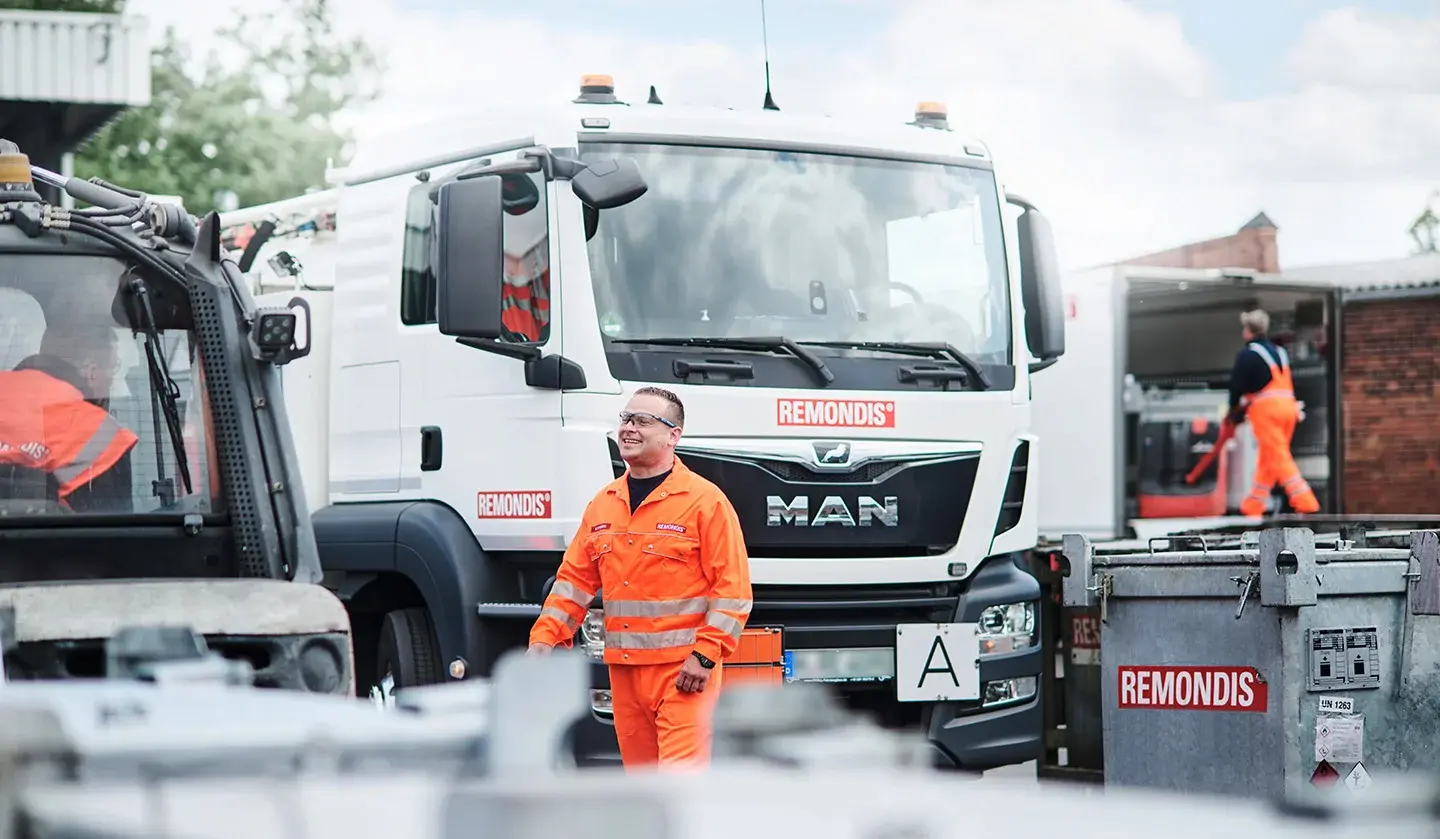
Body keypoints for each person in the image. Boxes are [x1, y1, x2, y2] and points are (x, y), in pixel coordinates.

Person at [527, 386, 753, 770]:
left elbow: (733, 591)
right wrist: (544, 639)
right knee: (643, 786)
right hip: (625, 674)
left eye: (643, 421)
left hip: (683, 673)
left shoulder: (705, 502)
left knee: (679, 785)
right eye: (626, 419)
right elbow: (573, 584)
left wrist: (705, 655)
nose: (629, 428)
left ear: (673, 435)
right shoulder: (603, 505)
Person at [1, 320, 137, 512]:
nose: (112, 383)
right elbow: (115, 527)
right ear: (92, 372)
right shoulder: (102, 436)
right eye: (113, 367)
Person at [1227, 309, 1320, 517]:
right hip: (1289, 409)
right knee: (1269, 456)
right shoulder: (1279, 352)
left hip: (1267, 412)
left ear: (1248, 330)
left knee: (1278, 456)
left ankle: (1305, 500)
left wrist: (1233, 411)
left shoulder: (1248, 354)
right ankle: (1254, 505)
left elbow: (1237, 386)